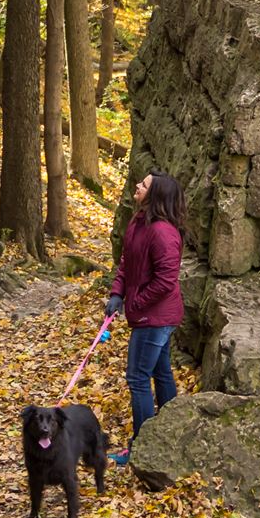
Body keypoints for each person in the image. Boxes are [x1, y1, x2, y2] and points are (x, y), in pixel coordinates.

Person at [103, 171, 184, 461]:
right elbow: (127, 261)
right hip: (149, 316)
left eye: (144, 184)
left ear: (156, 195)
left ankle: (142, 448)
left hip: (157, 318)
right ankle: (171, 433)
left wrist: (135, 303)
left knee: (138, 378)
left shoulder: (163, 233)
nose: (138, 186)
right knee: (161, 372)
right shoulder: (138, 222)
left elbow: (166, 281)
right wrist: (117, 293)